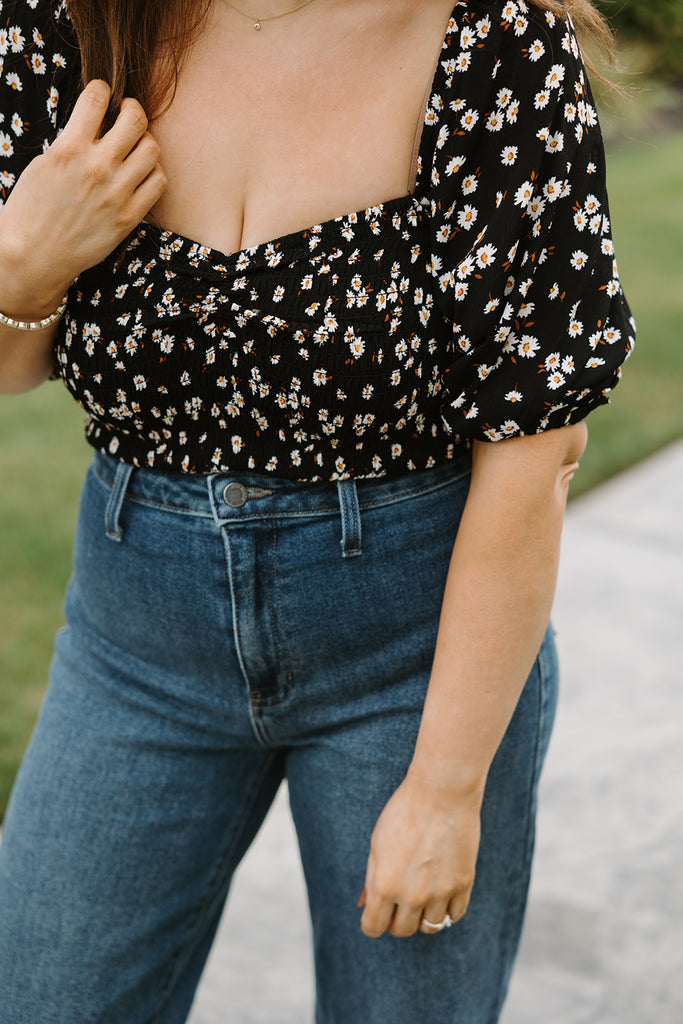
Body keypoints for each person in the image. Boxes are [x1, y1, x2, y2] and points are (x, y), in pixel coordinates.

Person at [0, 0, 634, 1021]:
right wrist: (23, 260)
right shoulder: (75, 20)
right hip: (134, 642)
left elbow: (534, 453)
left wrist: (445, 787)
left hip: (408, 654)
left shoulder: (489, 37)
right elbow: (12, 360)